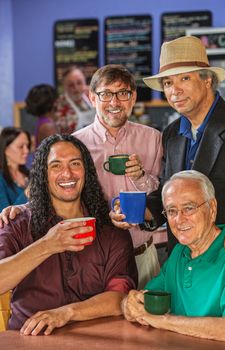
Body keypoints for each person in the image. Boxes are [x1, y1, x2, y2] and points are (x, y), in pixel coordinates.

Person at [0, 134, 137, 335]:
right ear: (43, 174)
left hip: (98, 340)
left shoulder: (111, 230)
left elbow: (120, 298)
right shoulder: (18, 223)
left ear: (86, 172)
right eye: (56, 166)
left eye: (75, 164)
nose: (67, 173)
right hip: (29, 339)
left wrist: (66, 313)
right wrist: (47, 245)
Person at [114, 35, 225, 258]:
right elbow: (167, 196)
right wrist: (138, 211)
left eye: (184, 79)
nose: (174, 90)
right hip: (181, 259)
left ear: (207, 80)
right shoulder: (171, 134)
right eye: (168, 83)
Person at [73, 64, 163, 289]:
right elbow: (64, 198)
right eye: (106, 94)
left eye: (123, 93)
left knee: (150, 321)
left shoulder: (153, 138)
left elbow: (163, 192)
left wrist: (141, 176)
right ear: (93, 98)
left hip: (144, 256)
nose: (114, 102)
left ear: (133, 98)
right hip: (95, 260)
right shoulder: (75, 144)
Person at [122, 170, 225, 343]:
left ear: (212, 209)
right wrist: (130, 305)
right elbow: (145, 300)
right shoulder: (179, 252)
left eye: (189, 208)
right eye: (172, 211)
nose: (179, 220)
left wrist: (163, 321)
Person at [55, 66, 95, 133]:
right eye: (71, 85)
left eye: (79, 83)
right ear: (64, 87)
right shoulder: (59, 105)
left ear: (85, 82)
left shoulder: (93, 96)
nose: (76, 88)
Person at [0, 127, 30, 211]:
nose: (26, 150)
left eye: (27, 146)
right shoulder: (1, 179)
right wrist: (28, 192)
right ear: (5, 149)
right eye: (21, 147)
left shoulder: (30, 174)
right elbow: (3, 218)